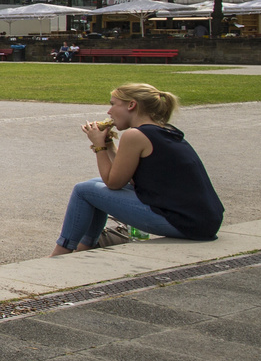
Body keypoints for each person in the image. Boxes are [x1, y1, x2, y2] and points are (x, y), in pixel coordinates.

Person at [52, 83, 224, 256]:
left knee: (84, 190)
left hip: (186, 223)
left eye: (113, 104)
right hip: (203, 221)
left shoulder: (135, 135)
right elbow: (132, 179)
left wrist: (98, 146)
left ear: (131, 105)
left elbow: (114, 183)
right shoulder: (162, 130)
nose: (109, 112)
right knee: (94, 184)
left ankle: (62, 252)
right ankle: (85, 248)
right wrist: (109, 144)